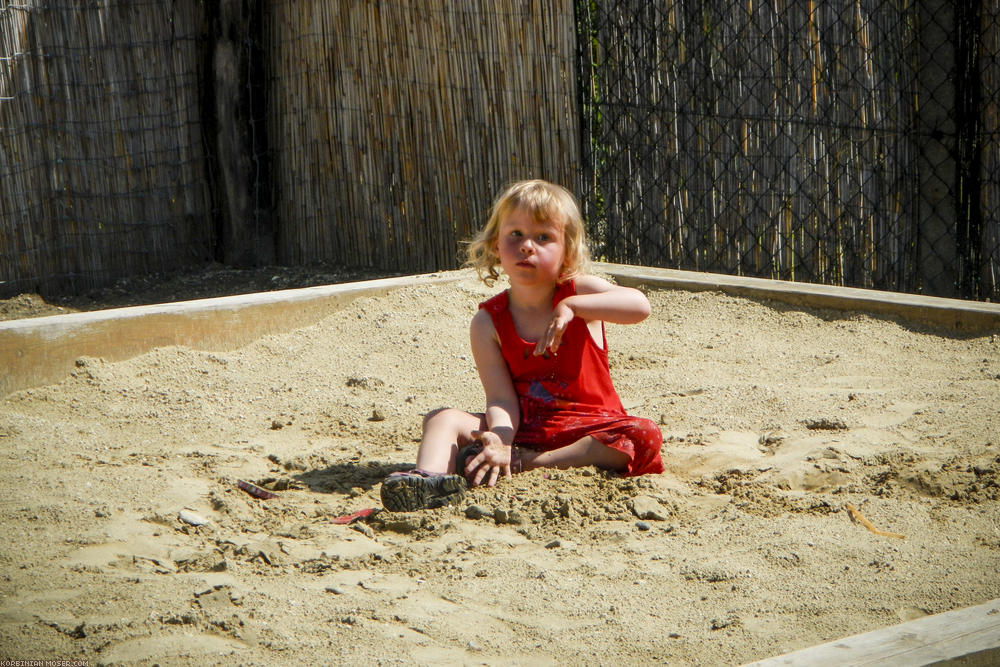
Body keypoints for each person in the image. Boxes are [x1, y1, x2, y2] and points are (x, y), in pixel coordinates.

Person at [380, 179, 664, 512]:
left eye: (543, 237)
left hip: (589, 428)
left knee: (644, 434)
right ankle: (429, 482)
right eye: (515, 234)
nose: (527, 246)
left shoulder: (580, 292)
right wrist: (501, 440)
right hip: (524, 427)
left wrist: (572, 307)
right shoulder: (488, 321)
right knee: (443, 419)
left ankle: (530, 464)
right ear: (495, 245)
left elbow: (639, 306)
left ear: (567, 251)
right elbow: (500, 398)